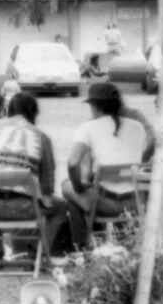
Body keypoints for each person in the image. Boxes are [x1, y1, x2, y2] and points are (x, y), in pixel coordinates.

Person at [0, 91, 68, 256]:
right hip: (22, 212)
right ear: (33, 112)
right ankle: (36, 251)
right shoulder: (41, 137)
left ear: (8, 110)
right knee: (60, 206)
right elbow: (47, 185)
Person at [63, 82, 147, 249]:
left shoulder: (87, 128)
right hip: (134, 203)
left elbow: (73, 163)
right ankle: (121, 242)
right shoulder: (138, 127)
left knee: (67, 187)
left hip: (105, 204)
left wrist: (79, 187)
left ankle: (82, 248)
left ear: (94, 106)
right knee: (80, 194)